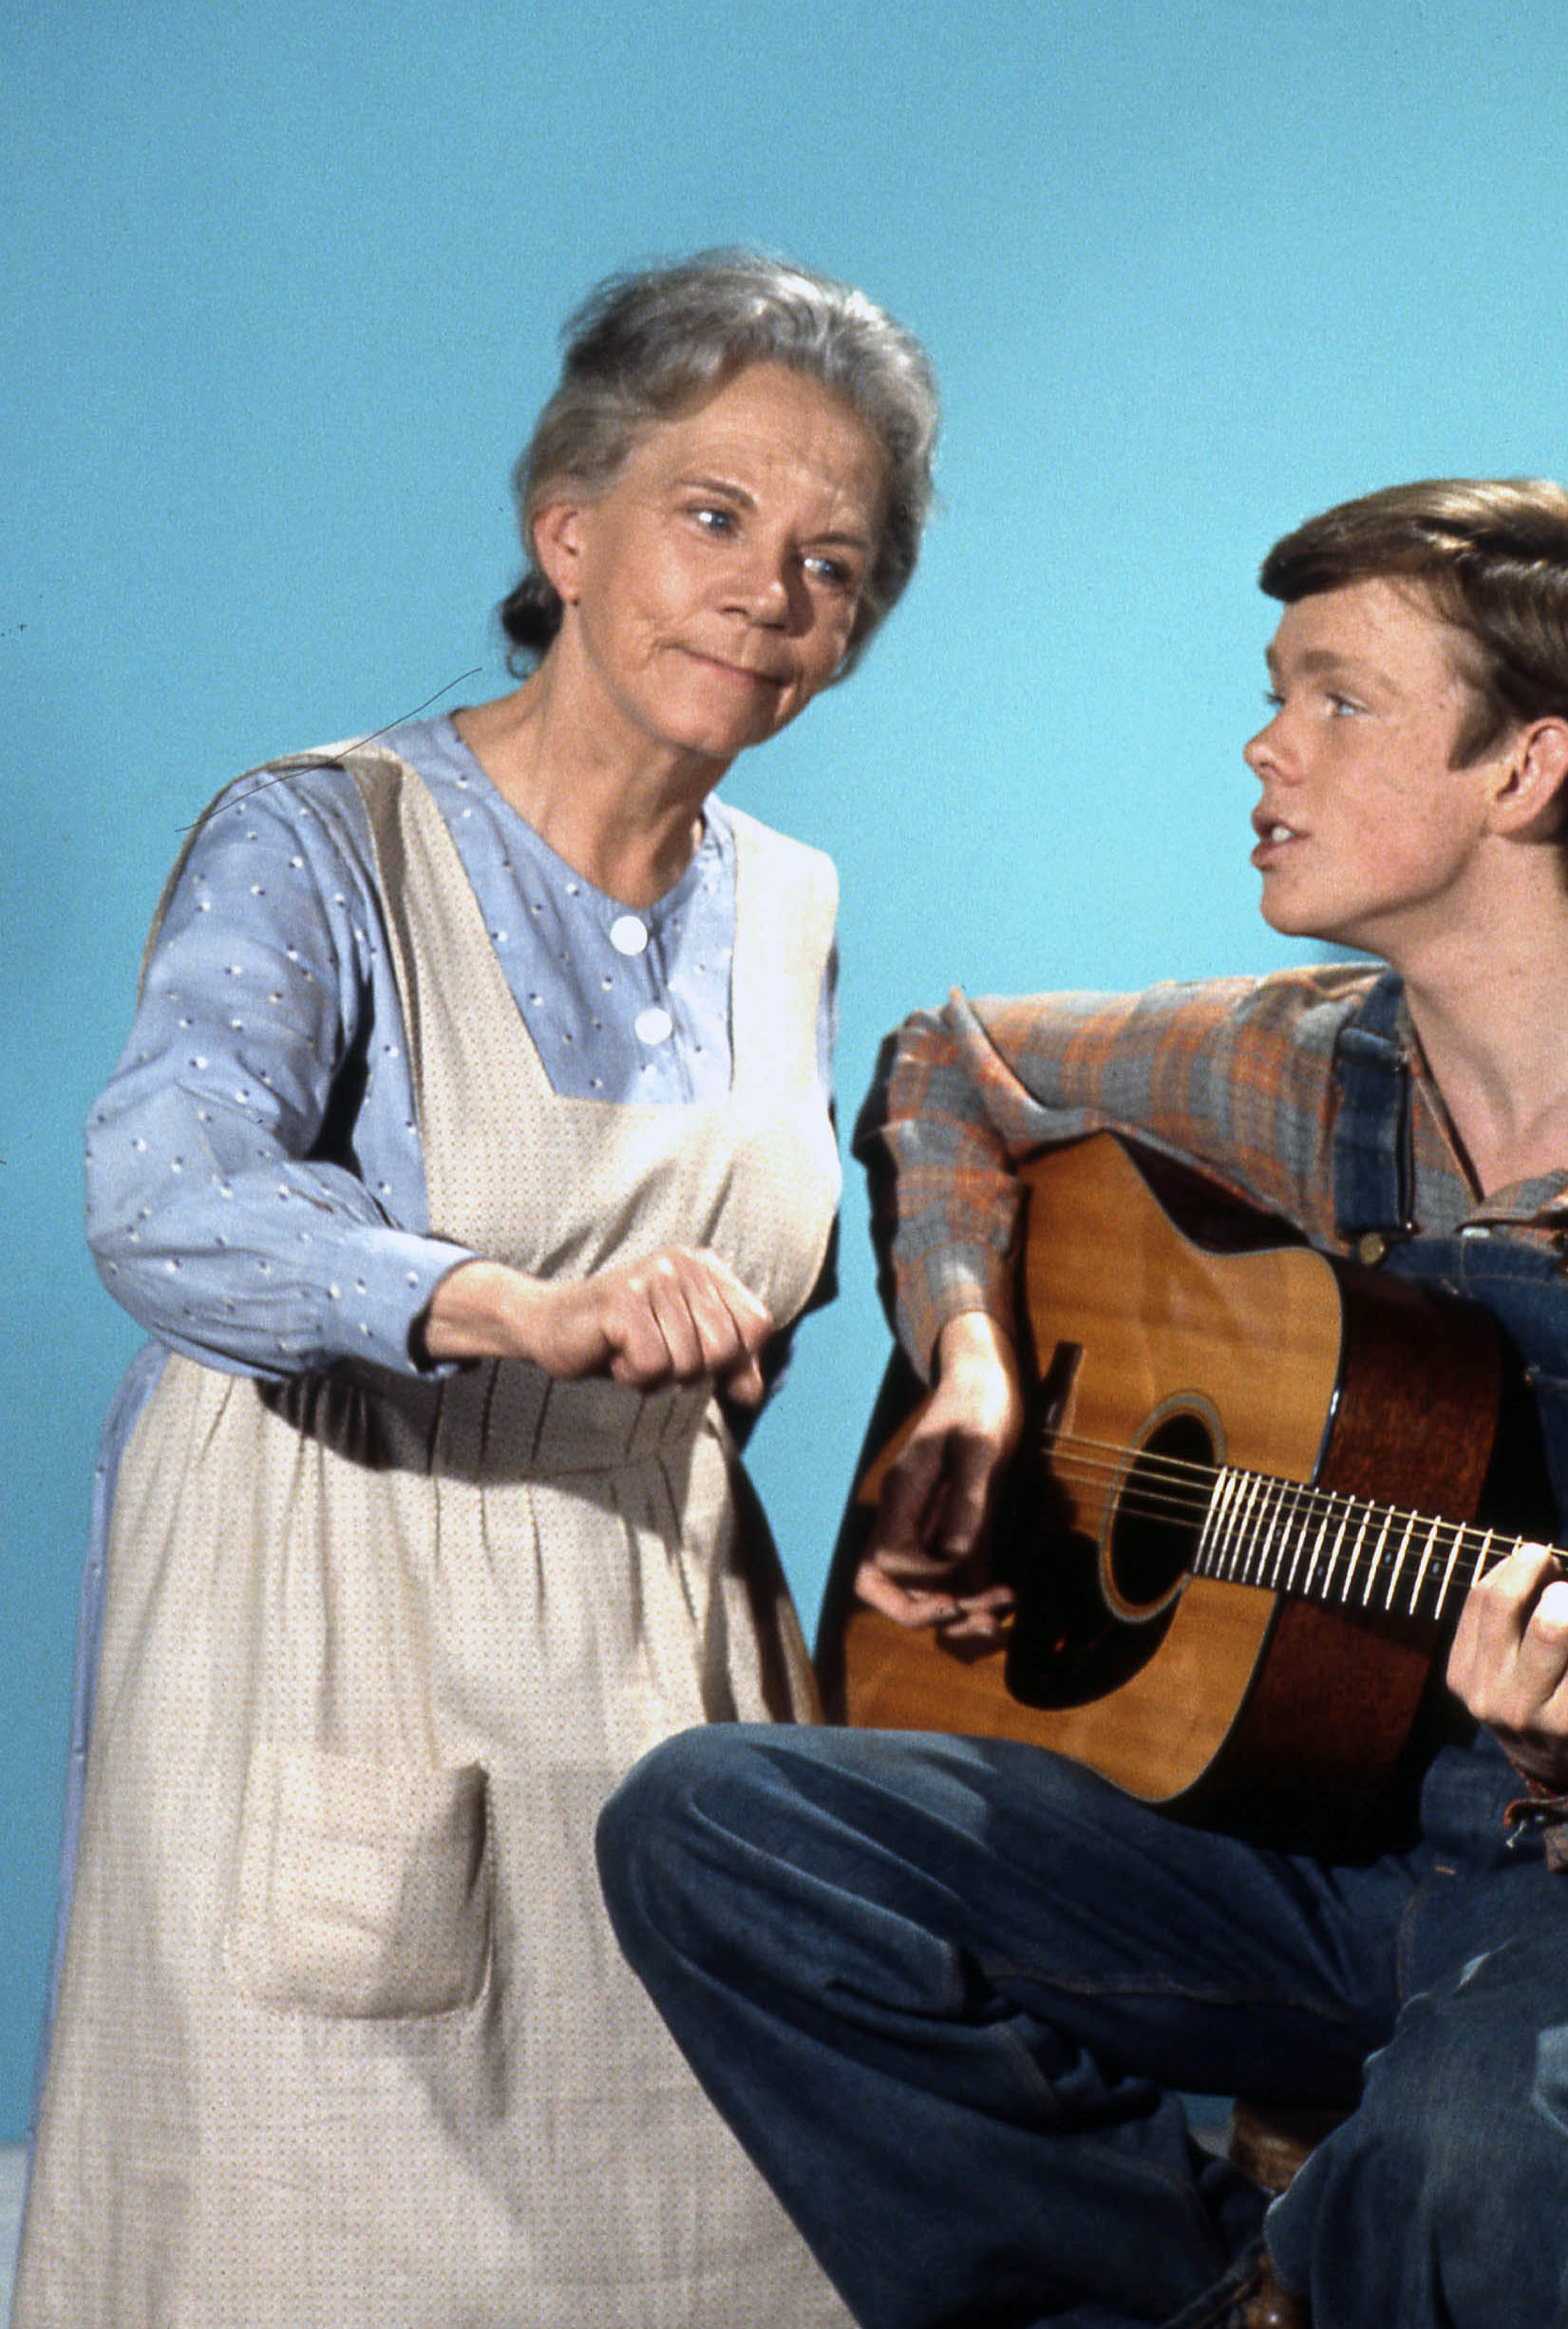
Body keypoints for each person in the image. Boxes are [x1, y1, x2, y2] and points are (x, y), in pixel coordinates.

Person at [600, 480, 1568, 2329]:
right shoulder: (1304, 1062)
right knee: (715, 1823)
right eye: (1278, 691)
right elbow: (950, 1065)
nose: (1264, 743)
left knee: (1458, 2172)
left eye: (1335, 697)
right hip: (1318, 1839)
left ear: (1521, 767)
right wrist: (969, 1362)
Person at [16, 250, 936, 2329]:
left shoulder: (785, 906)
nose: (768, 592)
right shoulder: (322, 838)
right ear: (569, 527)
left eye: (833, 561)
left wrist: (922, 1361)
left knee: (708, 2221)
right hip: (338, 1609)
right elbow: (162, 1196)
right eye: (713, 516)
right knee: (331, 2221)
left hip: (660, 1625)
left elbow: (777, 1261)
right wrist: (514, 1310)